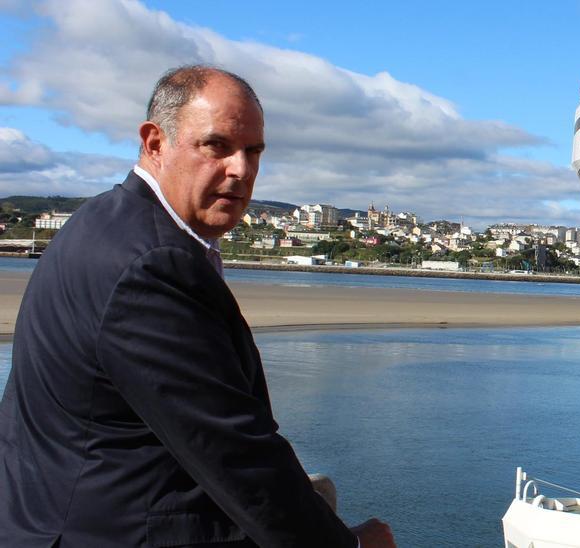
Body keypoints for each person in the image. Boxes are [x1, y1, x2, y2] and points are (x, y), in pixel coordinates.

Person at [0, 66, 395, 547]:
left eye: (253, 152)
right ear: (155, 142)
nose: (241, 169)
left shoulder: (103, 221)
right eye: (217, 145)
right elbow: (235, 452)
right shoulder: (151, 264)